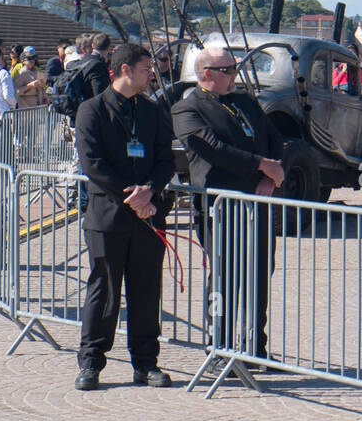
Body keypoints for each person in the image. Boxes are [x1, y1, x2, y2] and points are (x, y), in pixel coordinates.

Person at [72, 43, 176, 390]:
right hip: (108, 215)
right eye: (147, 68)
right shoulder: (92, 109)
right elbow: (93, 164)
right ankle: (91, 362)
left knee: (146, 290)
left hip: (148, 215)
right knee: (104, 290)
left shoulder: (153, 110)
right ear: (125, 70)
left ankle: (146, 363)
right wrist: (132, 196)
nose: (152, 74)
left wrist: (149, 189)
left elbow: (166, 159)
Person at [172, 45, 285, 364]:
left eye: (235, 68)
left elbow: (275, 139)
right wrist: (261, 164)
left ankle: (255, 346)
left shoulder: (245, 101)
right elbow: (214, 148)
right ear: (207, 73)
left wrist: (271, 176)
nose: (235, 74)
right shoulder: (188, 109)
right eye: (228, 70)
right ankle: (219, 345)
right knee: (225, 277)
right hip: (220, 208)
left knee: (259, 273)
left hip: (258, 203)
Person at [79, 33, 112, 101]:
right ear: (108, 48)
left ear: (93, 45)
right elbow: (100, 94)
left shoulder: (83, 60)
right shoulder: (98, 65)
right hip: (90, 106)